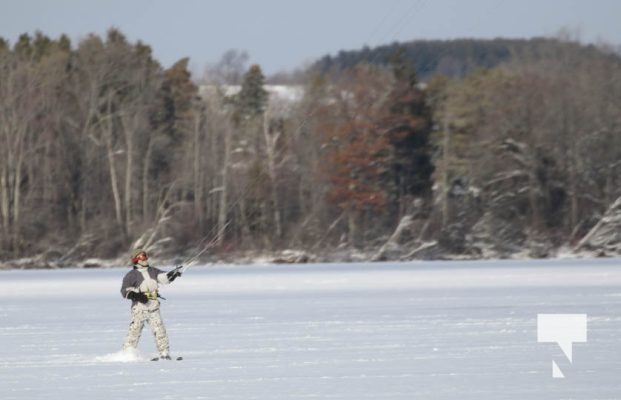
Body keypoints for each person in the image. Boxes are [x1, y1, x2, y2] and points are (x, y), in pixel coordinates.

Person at [120, 249, 182, 361]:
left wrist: (172, 274)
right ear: (136, 259)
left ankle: (164, 353)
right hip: (139, 308)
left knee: (159, 330)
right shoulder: (131, 275)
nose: (146, 259)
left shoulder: (153, 271)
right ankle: (126, 354)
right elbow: (124, 291)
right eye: (143, 257)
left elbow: (163, 277)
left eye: (146, 256)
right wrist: (137, 296)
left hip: (153, 306)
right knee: (135, 330)